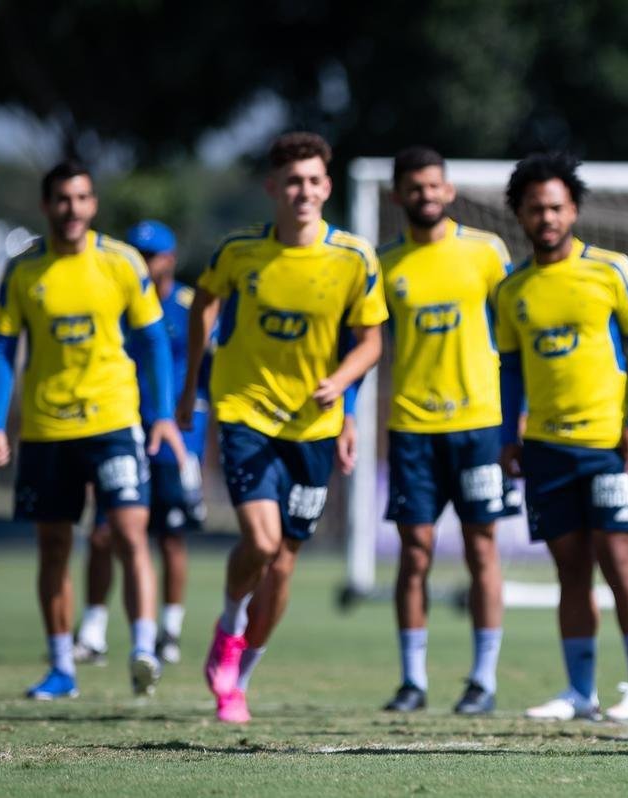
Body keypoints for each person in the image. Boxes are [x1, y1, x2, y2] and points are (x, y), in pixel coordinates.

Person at [179, 131, 386, 723]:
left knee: (287, 560)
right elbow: (204, 304)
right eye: (292, 181)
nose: (303, 190)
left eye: (314, 180)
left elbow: (370, 342)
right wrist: (195, 383)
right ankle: (229, 622)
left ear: (327, 187)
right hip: (245, 412)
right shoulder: (239, 251)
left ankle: (239, 678)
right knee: (262, 542)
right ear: (273, 187)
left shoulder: (353, 257)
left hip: (313, 427)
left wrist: (341, 388)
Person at [0, 159, 183, 699]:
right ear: (48, 206)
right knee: (53, 547)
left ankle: (143, 650)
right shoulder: (24, 270)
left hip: (114, 420)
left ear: (93, 204)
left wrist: (162, 414)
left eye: (82, 198)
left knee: (128, 532)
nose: (72, 209)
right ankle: (61, 668)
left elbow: (153, 341)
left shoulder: (121, 263)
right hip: (48, 428)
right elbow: (3, 347)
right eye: (62, 200)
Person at [498, 152, 628, 723]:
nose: (546, 217)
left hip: (609, 447)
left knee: (621, 563)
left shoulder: (612, 270)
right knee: (569, 572)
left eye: (556, 207)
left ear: (573, 210)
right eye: (535, 209)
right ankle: (579, 692)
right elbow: (511, 369)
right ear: (519, 215)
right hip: (545, 448)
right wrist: (507, 435)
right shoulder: (512, 289)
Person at [377, 147, 516, 716]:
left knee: (482, 548)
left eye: (434, 186)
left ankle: (482, 680)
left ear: (449, 191)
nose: (425, 195)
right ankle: (412, 680)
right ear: (397, 197)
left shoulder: (486, 252)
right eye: (414, 188)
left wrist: (517, 416)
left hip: (479, 426)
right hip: (412, 427)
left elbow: (514, 335)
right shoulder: (384, 264)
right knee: (415, 553)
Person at [73, 221, 209, 668]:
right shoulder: (119, 299)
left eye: (153, 256)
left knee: (169, 537)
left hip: (175, 438)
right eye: (140, 254)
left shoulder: (190, 305)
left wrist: (196, 423)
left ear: (170, 259)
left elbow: (213, 362)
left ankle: (169, 630)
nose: (146, 263)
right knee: (103, 533)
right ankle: (92, 632)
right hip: (123, 428)